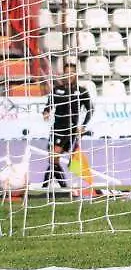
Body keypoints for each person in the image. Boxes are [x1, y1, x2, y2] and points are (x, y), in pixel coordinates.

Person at [41, 63, 92, 191]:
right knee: (53, 159)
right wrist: (46, 112)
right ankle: (56, 186)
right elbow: (48, 106)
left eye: (72, 73)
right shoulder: (56, 90)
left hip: (70, 130)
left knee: (56, 158)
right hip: (57, 128)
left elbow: (90, 110)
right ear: (63, 75)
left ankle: (53, 186)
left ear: (75, 74)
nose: (69, 75)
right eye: (67, 73)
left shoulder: (82, 91)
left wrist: (83, 126)